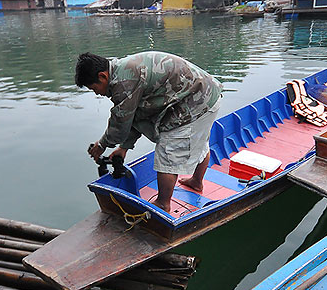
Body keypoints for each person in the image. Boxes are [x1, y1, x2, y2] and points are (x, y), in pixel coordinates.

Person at [76, 51, 222, 214]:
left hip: (196, 101)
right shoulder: (121, 71)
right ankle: (196, 181)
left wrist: (101, 145)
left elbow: (120, 123)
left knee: (167, 149)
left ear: (102, 76)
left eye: (94, 88)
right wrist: (124, 147)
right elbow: (136, 115)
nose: (96, 93)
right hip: (206, 95)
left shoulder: (124, 82)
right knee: (199, 140)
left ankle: (162, 204)